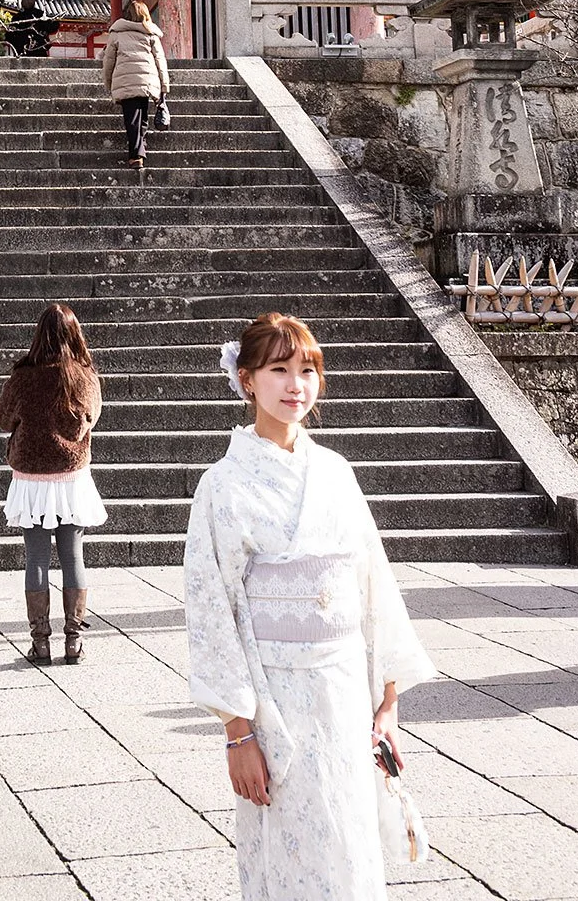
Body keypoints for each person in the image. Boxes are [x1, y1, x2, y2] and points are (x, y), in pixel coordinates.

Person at [183, 312, 436, 901]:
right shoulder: (221, 486)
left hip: (344, 687)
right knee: (289, 846)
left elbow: (373, 583)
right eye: (278, 370)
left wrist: (388, 703)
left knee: (350, 845)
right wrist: (237, 732)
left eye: (307, 370)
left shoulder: (337, 473)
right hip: (275, 696)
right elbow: (211, 608)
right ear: (247, 380)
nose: (296, 384)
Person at [0, 302, 106, 665]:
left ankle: (40, 642)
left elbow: (3, 417)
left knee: (36, 556)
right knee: (73, 556)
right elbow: (90, 418)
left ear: (39, 335)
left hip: (31, 478)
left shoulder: (22, 376)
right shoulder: (84, 376)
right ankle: (73, 642)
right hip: (71, 477)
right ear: (74, 335)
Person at [101, 0, 169, 169]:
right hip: (147, 81)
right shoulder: (150, 33)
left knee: (131, 119)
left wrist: (108, 83)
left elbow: (108, 61)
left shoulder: (117, 33)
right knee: (143, 118)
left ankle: (136, 155)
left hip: (125, 80)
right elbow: (160, 61)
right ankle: (139, 151)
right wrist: (164, 86)